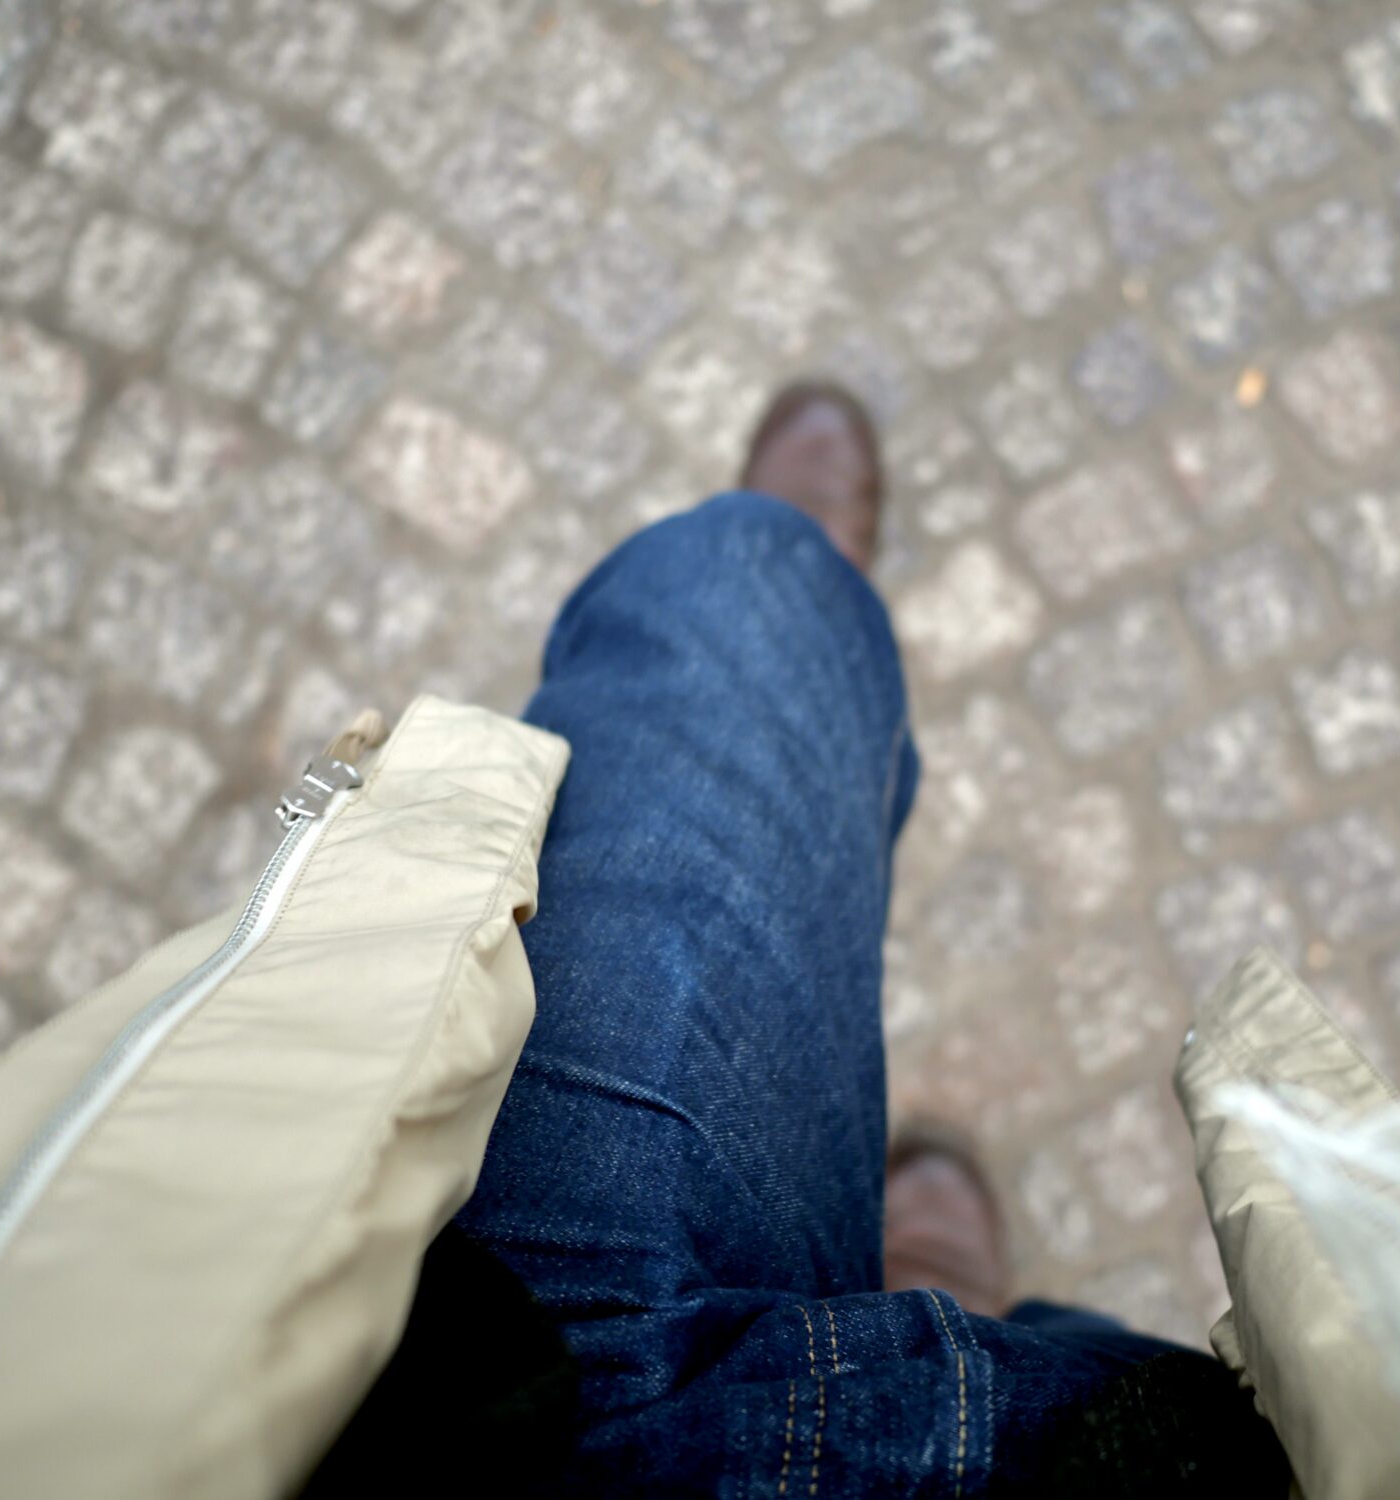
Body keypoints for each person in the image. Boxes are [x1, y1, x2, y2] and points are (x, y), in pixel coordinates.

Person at [448, 383, 1291, 1493]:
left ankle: (800, 585)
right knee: (1088, 1389)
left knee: (732, 592)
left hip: (490, 1412)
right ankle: (952, 1312)